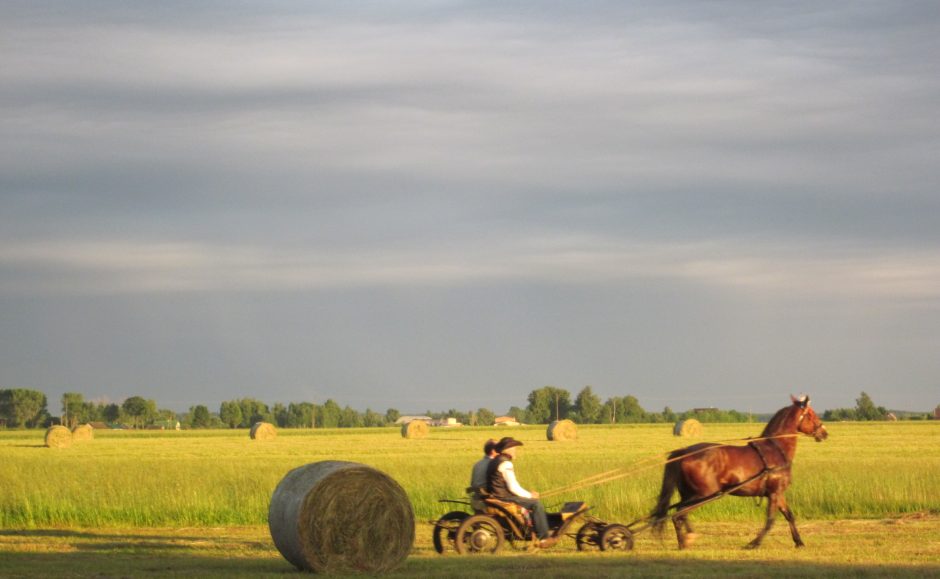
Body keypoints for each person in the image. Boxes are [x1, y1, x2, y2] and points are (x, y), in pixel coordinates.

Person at [485, 436, 555, 548]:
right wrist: (530, 496)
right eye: (514, 449)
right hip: (503, 497)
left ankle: (533, 528)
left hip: (497, 495)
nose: (516, 451)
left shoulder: (494, 461)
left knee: (532, 502)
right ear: (507, 450)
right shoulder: (506, 464)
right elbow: (513, 487)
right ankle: (543, 538)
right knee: (536, 504)